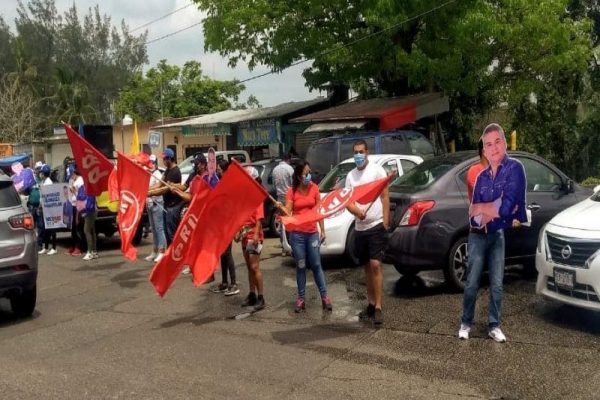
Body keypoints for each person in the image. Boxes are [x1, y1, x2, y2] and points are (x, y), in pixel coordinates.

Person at [458, 123, 527, 343]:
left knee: (497, 282)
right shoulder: (474, 173)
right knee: (472, 281)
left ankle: (494, 325)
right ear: (483, 152)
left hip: (497, 235)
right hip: (478, 234)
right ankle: (466, 322)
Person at [345, 139, 390, 326]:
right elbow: (347, 201)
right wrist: (357, 211)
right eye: (355, 152)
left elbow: (385, 195)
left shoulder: (377, 171)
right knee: (366, 268)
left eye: (361, 151)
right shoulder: (350, 176)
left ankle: (379, 307)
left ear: (367, 152)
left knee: (375, 265)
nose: (358, 155)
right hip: (360, 228)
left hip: (376, 226)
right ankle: (370, 304)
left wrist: (386, 221)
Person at [279, 161, 332, 313]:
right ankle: (301, 299)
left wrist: (322, 230)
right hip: (297, 235)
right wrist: (280, 207)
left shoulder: (314, 188)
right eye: (306, 173)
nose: (309, 176)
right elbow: (288, 212)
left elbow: (319, 211)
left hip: (312, 234)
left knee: (316, 265)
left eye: (310, 173)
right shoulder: (292, 191)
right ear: (298, 176)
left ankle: (325, 297)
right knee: (301, 266)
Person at [239, 166, 266, 310]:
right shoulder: (244, 194)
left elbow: (259, 218)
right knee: (249, 267)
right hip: (244, 234)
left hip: (254, 235)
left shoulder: (258, 195)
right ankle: (252, 294)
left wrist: (256, 234)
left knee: (255, 267)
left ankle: (261, 297)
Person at [147, 148, 183, 246]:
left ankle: (173, 257)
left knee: (171, 234)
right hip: (166, 205)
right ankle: (168, 255)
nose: (163, 161)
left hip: (173, 207)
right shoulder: (167, 170)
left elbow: (164, 190)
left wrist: (148, 194)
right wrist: (147, 189)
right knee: (167, 233)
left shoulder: (175, 172)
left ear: (170, 159)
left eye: (164, 159)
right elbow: (159, 184)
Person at [144, 155, 167, 263]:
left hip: (157, 204)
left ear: (156, 164)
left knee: (159, 229)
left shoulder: (158, 174)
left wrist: (146, 189)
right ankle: (155, 251)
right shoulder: (148, 174)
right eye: (150, 162)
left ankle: (162, 251)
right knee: (153, 229)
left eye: (153, 163)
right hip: (149, 204)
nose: (151, 164)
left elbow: (158, 186)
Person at [272, 153, 294, 255]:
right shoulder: (290, 169)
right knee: (290, 222)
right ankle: (289, 245)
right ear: (288, 159)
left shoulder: (275, 169)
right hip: (288, 198)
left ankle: (283, 247)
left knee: (282, 223)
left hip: (279, 198)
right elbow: (293, 184)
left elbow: (273, 184)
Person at [38, 165, 57, 255]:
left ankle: (54, 247)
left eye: (41, 172)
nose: (40, 174)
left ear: (43, 173)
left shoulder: (48, 183)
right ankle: (45, 247)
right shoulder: (43, 182)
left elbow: (48, 197)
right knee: (45, 228)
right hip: (43, 208)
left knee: (51, 228)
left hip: (49, 209)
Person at [67, 168, 86, 256]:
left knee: (78, 227)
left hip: (79, 207)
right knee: (74, 227)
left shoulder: (80, 180)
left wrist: (72, 189)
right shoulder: (76, 180)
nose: (71, 177)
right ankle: (74, 245)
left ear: (75, 173)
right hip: (75, 205)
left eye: (72, 175)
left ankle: (79, 247)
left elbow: (78, 193)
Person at [78, 186, 98, 261]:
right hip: (92, 210)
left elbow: (88, 200)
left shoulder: (88, 187)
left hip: (89, 211)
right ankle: (94, 251)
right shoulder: (88, 186)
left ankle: (90, 252)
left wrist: (85, 211)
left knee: (87, 231)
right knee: (92, 231)